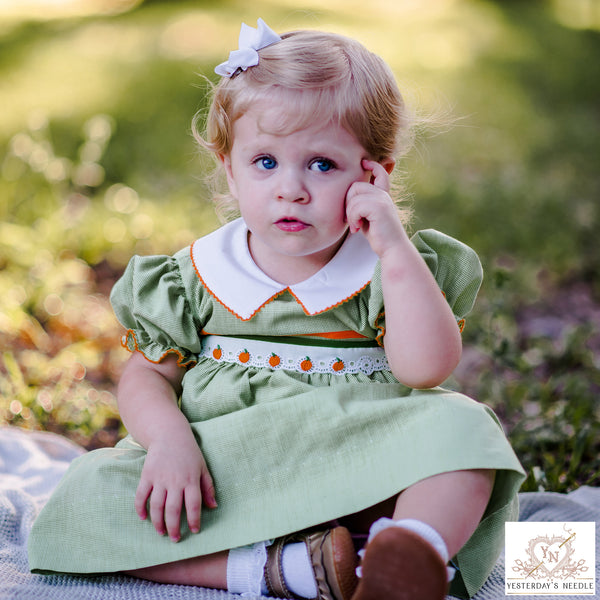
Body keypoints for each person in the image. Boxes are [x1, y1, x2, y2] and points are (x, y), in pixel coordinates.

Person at [29, 18, 525, 600]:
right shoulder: (193, 276)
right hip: (232, 470)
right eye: (265, 162)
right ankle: (292, 570)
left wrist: (392, 249)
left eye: (322, 164)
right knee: (90, 494)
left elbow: (425, 370)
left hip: (363, 461)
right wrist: (168, 443)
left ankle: (410, 551)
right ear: (228, 166)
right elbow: (147, 377)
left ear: (376, 176)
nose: (291, 188)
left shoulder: (388, 267)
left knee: (464, 427)